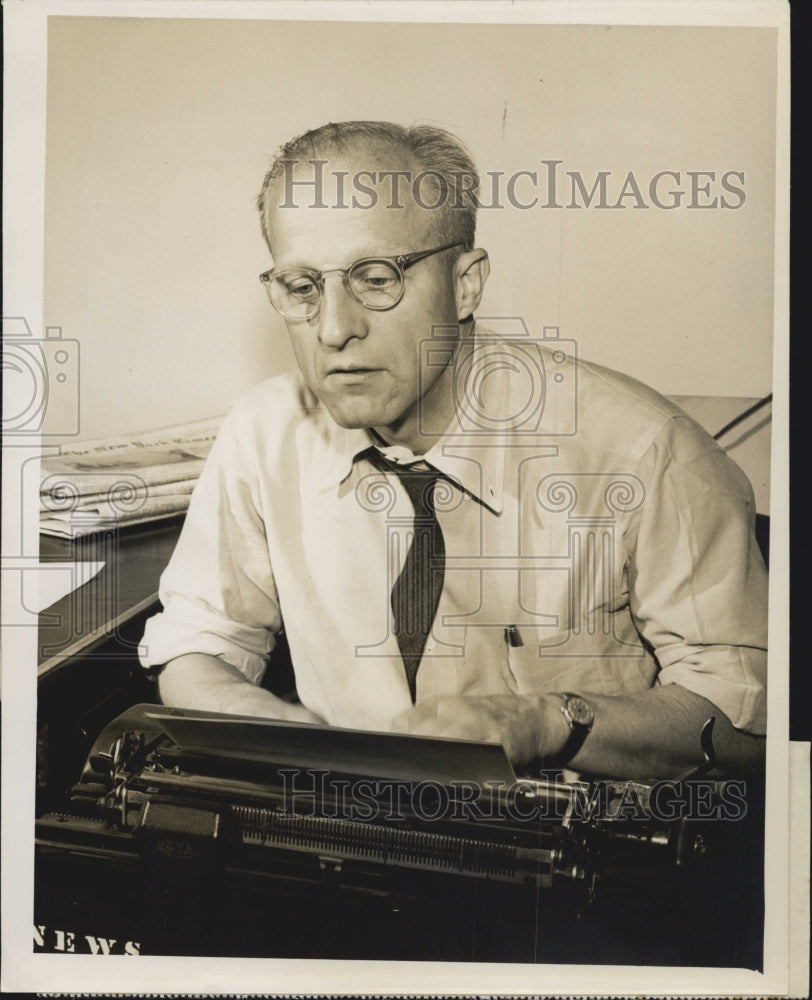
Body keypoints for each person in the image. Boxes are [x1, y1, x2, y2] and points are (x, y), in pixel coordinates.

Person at [140, 121, 767, 781]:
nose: (333, 329)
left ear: (466, 284)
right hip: (345, 835)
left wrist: (546, 722)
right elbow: (196, 642)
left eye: (375, 279)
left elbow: (750, 721)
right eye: (302, 288)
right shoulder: (263, 431)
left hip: (568, 851)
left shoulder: (645, 453)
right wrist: (265, 725)